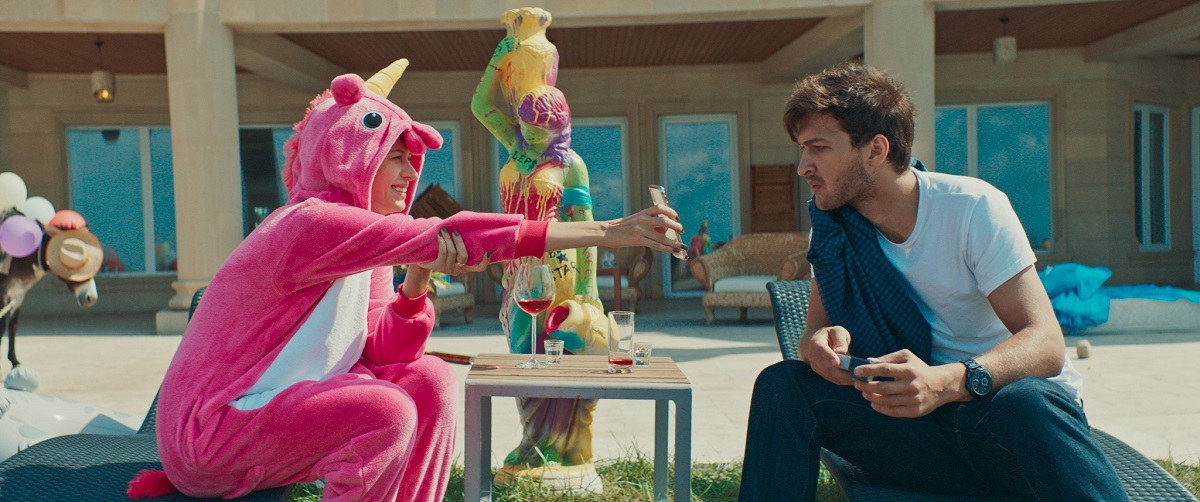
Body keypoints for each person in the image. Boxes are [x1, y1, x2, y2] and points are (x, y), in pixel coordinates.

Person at [127, 60, 683, 502]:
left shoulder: (367, 244)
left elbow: (383, 351)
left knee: (431, 380)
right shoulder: (308, 224)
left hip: (273, 416)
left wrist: (416, 278)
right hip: (211, 436)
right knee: (384, 412)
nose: (411, 172)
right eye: (394, 157)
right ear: (350, 155)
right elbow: (462, 233)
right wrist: (610, 231)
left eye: (411, 158)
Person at [738, 62, 1126, 501]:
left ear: (875, 150)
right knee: (784, 384)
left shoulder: (970, 208)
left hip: (1006, 431)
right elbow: (815, 331)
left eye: (818, 148)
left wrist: (947, 382)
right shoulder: (834, 229)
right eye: (802, 149)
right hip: (916, 433)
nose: (803, 166)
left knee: (1027, 400)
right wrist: (819, 349)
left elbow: (1046, 343)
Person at [470, 7, 612, 489]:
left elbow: (587, 227)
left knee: (554, 352)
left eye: (540, 132)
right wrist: (502, 53)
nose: (530, 136)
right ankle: (532, 441)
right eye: (526, 128)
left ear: (560, 129)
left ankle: (566, 452)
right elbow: (481, 105)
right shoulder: (517, 147)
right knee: (521, 354)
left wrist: (589, 287)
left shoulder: (571, 165)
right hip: (517, 269)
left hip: (557, 269)